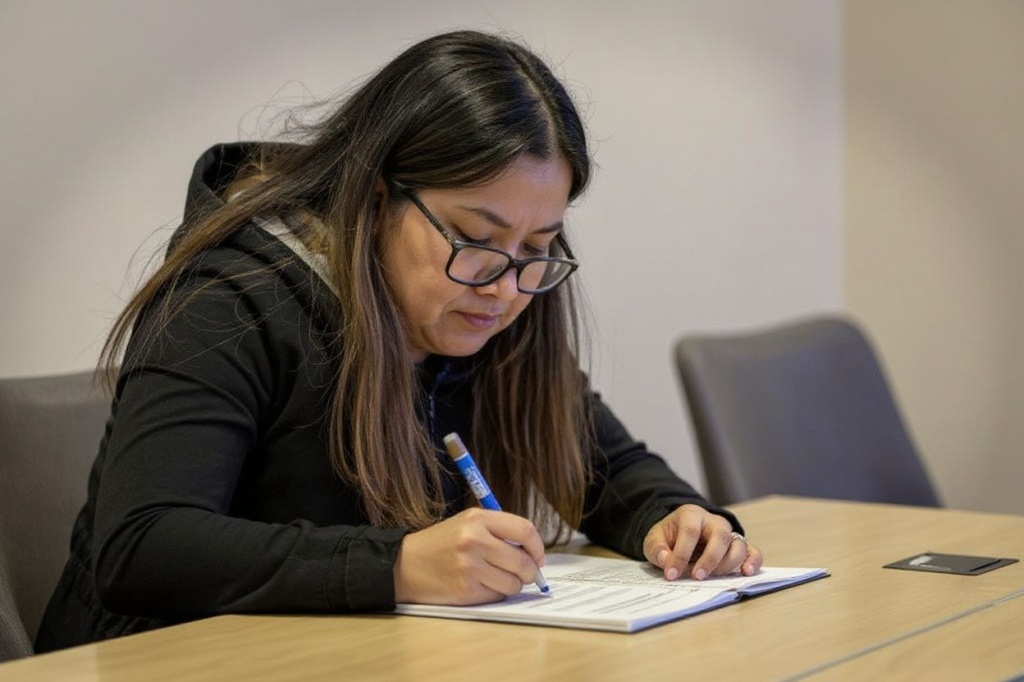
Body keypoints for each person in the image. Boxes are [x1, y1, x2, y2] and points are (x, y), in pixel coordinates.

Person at [35, 29, 762, 652]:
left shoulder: (497, 301)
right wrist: (400, 564)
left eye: (539, 244)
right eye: (475, 239)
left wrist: (676, 521)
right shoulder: (228, 302)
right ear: (377, 196)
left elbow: (607, 467)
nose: (507, 286)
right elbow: (143, 546)